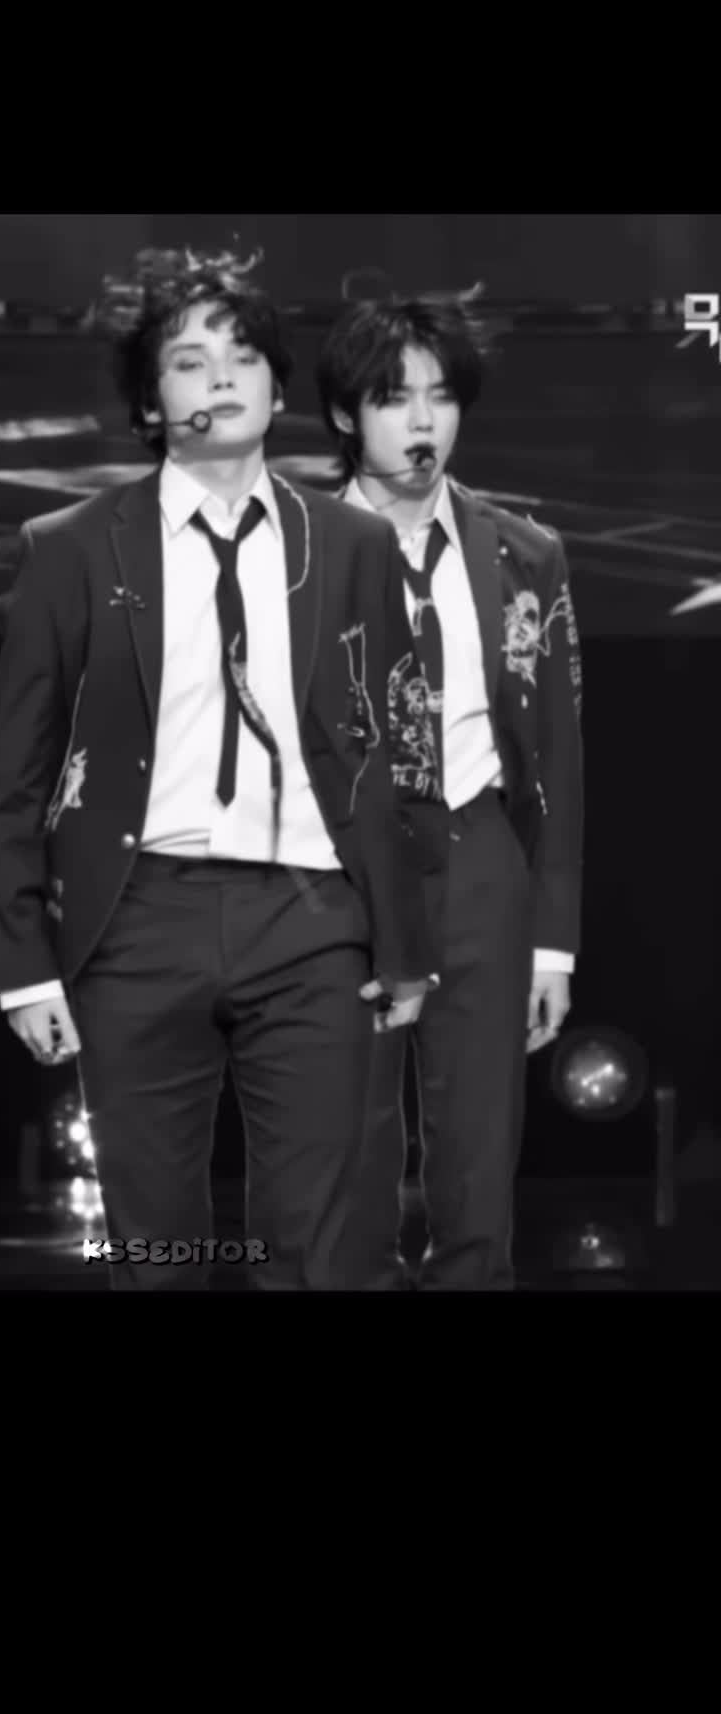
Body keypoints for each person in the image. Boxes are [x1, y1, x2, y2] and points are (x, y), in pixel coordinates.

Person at [0, 246, 443, 1291]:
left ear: (278, 391)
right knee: (153, 1250)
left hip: (316, 921)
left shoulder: (355, 545)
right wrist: (23, 964)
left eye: (243, 358)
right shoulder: (72, 546)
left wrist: (404, 936)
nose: (221, 377)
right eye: (190, 361)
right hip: (137, 917)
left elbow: (402, 748)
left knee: (322, 1250)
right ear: (151, 404)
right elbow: (14, 774)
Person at [316, 287, 584, 1290]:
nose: (422, 422)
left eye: (441, 396)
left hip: (479, 860)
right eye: (393, 398)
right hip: (337, 871)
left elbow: (557, 755)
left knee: (478, 1167)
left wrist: (552, 940)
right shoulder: (289, 550)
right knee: (345, 1161)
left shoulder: (525, 553)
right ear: (346, 414)